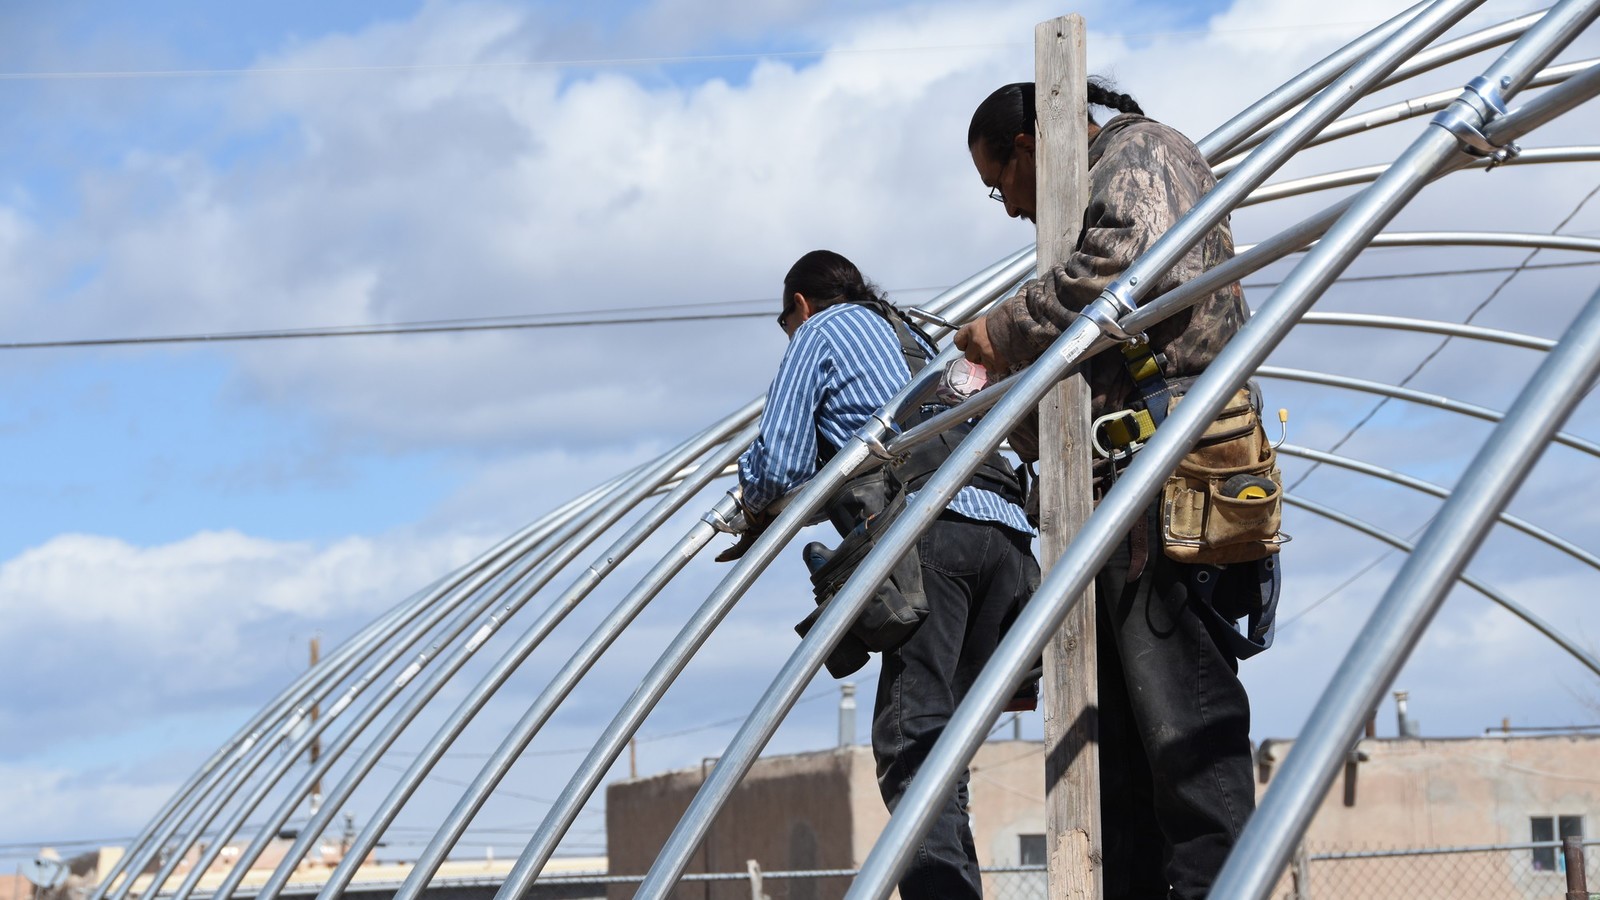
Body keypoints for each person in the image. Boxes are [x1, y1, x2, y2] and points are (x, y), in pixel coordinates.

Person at [956, 81, 1263, 900]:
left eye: (1001, 185)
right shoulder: (1086, 195)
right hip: (1114, 493)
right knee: (1120, 755)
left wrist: (1005, 326)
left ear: (1026, 147)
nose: (1011, 210)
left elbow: (1127, 271)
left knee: (1186, 732)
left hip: (1165, 483)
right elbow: (1081, 391)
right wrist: (993, 389)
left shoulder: (1138, 153)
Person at [727, 249, 1039, 900]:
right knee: (941, 752)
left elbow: (779, 466)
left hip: (932, 535)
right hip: (1005, 540)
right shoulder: (910, 336)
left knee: (909, 744)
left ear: (801, 306)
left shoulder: (820, 330)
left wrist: (745, 498)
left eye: (786, 322)